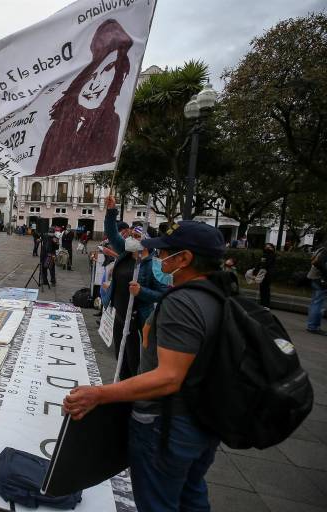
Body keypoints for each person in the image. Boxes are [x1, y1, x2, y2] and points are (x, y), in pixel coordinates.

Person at [63, 220, 228, 512]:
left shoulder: (183, 302)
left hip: (165, 425)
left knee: (157, 502)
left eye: (167, 252)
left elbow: (168, 377)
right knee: (190, 496)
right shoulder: (219, 295)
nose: (161, 257)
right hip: (203, 420)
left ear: (185, 259)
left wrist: (100, 395)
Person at [34, 19, 133, 176]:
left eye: (107, 69)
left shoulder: (111, 123)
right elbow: (41, 171)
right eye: (92, 74)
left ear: (116, 80)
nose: (94, 85)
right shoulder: (58, 124)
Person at [102, 196, 168, 380]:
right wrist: (111, 211)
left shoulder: (153, 265)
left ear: (145, 242)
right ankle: (120, 393)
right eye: (131, 235)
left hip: (137, 319)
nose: (131, 238)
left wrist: (141, 291)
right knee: (120, 358)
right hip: (120, 315)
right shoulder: (126, 252)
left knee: (134, 363)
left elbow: (164, 294)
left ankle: (132, 398)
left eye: (136, 236)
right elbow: (111, 232)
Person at [307, 241, 327, 335]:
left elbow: (313, 260)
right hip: (321, 280)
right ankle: (313, 326)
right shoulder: (325, 251)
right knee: (319, 304)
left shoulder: (321, 249)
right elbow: (319, 263)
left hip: (315, 278)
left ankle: (311, 325)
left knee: (315, 302)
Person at [254, 243, 276, 308]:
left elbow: (267, 264)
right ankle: (262, 303)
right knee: (262, 289)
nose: (267, 248)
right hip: (262, 274)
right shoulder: (264, 255)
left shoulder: (272, 255)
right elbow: (260, 263)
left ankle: (266, 305)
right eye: (266, 247)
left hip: (268, 274)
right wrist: (255, 271)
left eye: (269, 247)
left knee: (266, 289)